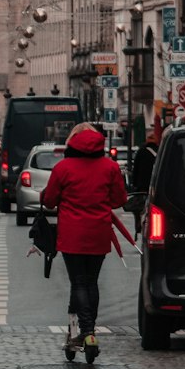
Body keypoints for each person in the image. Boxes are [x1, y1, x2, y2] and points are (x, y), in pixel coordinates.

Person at [41, 122, 127, 350]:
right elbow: (119, 200)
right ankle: (87, 330)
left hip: (72, 234)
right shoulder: (109, 167)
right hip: (99, 233)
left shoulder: (63, 168)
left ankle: (87, 333)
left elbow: (49, 201)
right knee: (91, 282)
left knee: (78, 282)